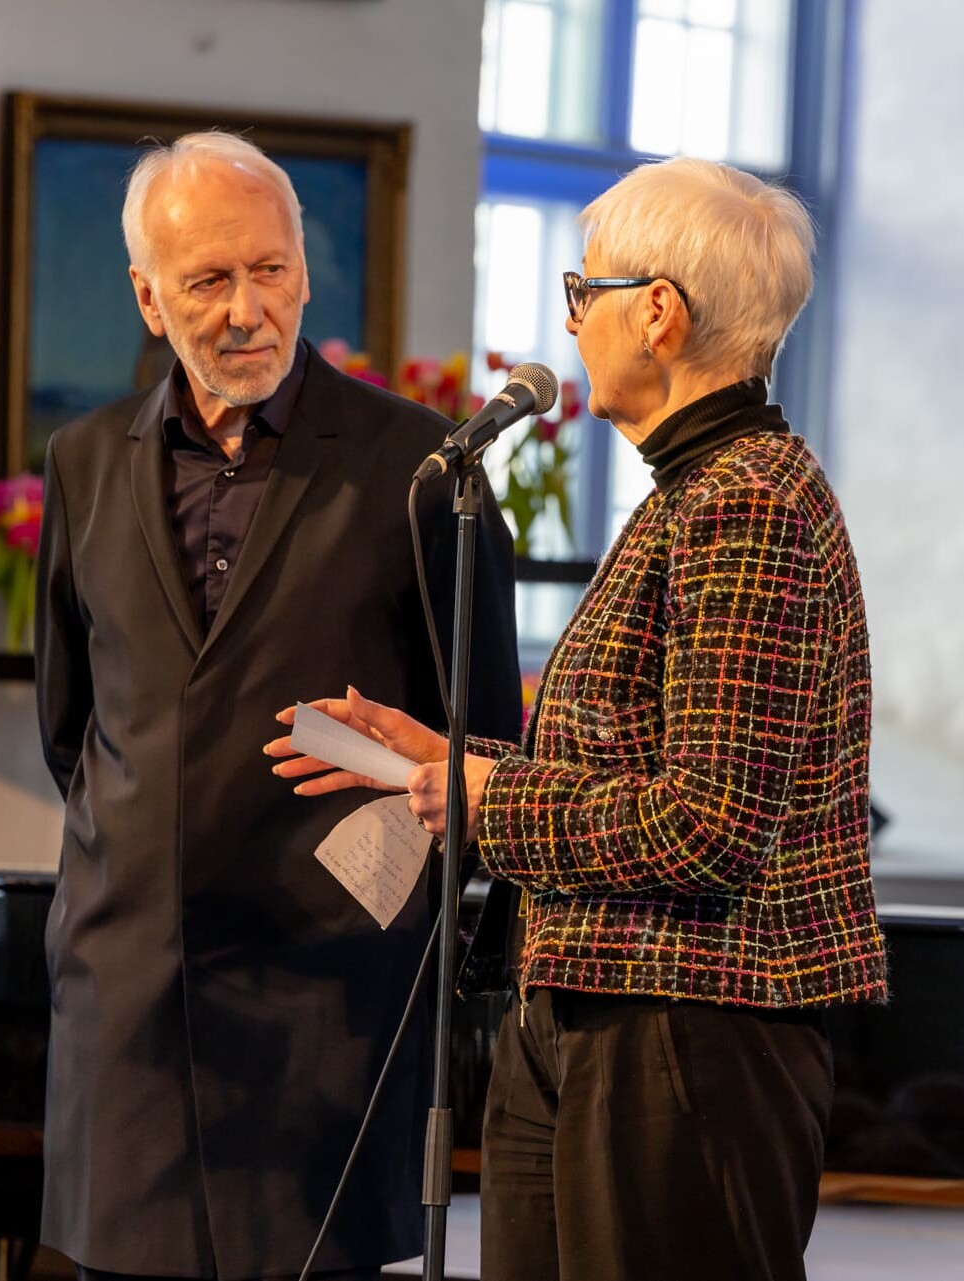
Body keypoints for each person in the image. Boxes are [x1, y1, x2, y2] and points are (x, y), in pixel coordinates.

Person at [266, 156, 888, 1281]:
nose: (569, 319)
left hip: (688, 1026)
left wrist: (485, 797)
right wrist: (450, 759)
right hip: (597, 1007)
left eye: (583, 289)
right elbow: (628, 766)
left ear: (657, 312)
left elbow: (707, 826)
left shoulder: (747, 504)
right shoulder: (693, 494)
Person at [33, 130, 522, 1281]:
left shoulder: (424, 469)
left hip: (332, 1000)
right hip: (130, 996)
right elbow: (70, 725)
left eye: (270, 270)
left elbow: (485, 737)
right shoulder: (84, 461)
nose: (247, 310)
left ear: (304, 274)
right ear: (149, 298)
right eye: (209, 280)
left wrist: (384, 890)